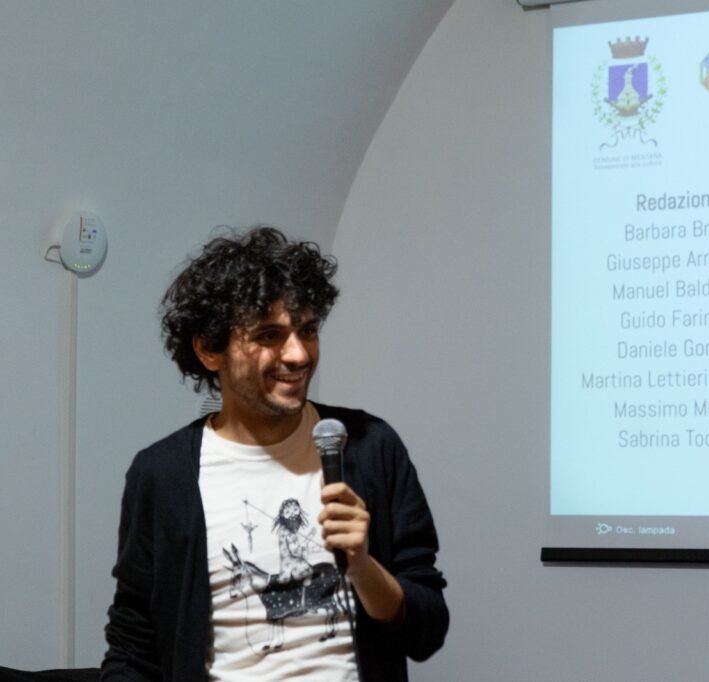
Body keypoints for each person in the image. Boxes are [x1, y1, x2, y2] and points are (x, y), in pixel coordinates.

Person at [101, 226, 448, 681]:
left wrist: (364, 568)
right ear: (209, 349)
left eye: (308, 330)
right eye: (269, 335)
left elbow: (428, 630)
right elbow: (134, 646)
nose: (299, 354)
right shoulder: (162, 474)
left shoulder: (370, 446)